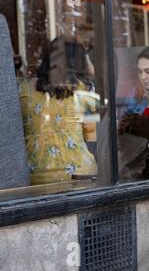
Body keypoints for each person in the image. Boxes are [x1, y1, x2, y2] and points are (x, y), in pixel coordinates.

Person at [19, 38, 98, 185]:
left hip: (36, 174)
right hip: (79, 172)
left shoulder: (23, 88)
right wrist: (86, 59)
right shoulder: (83, 89)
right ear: (78, 63)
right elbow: (96, 126)